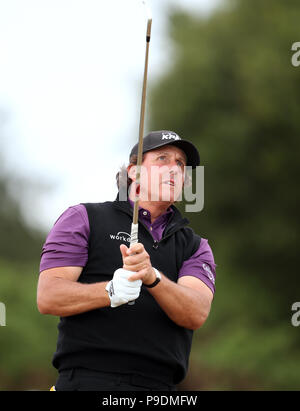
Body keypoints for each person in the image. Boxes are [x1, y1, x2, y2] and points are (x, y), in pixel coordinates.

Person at [37, 130, 216, 391]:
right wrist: (109, 291)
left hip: (159, 388)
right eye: (163, 159)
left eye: (180, 164)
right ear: (134, 172)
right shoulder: (83, 218)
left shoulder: (195, 246)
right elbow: (48, 296)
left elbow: (196, 312)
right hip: (85, 380)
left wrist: (153, 278)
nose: (174, 169)